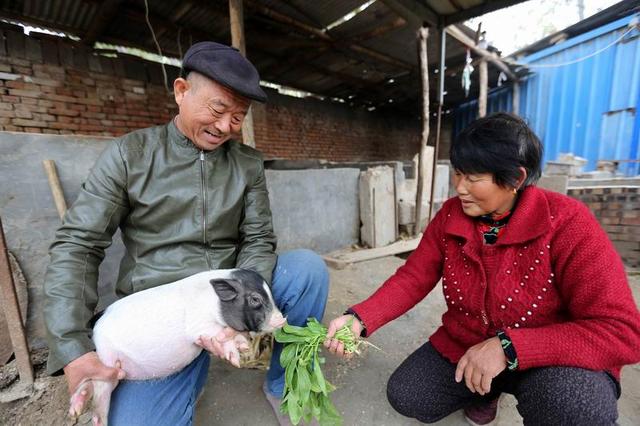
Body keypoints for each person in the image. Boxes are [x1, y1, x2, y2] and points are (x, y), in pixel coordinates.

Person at [43, 41, 328, 426]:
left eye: (238, 116)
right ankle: (186, 368)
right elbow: (78, 245)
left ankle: (283, 384)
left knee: (307, 269)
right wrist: (72, 346)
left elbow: (259, 239)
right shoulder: (131, 155)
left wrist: (235, 311)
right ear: (181, 91)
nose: (226, 126)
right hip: (165, 315)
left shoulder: (246, 165)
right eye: (217, 109)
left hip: (229, 296)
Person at [325, 113, 640, 425]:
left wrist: (509, 348)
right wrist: (361, 317)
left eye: (473, 179)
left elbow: (622, 331)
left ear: (516, 179)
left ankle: (519, 383)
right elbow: (414, 276)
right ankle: (487, 391)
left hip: (552, 359)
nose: (460, 188)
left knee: (575, 410)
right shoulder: (450, 216)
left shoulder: (568, 223)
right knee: (409, 395)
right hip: (468, 343)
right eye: (458, 174)